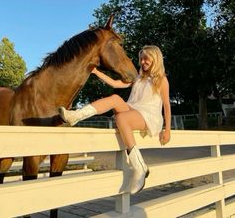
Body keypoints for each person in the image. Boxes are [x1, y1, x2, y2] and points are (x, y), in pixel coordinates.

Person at [58, 45, 171, 194]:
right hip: (133, 109)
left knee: (121, 118)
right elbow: (115, 84)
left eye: (146, 58)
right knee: (116, 98)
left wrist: (167, 130)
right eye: (141, 59)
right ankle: (76, 116)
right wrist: (96, 72)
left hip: (149, 115)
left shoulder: (161, 80)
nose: (143, 62)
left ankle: (139, 167)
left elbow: (167, 105)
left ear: (155, 59)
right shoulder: (137, 78)